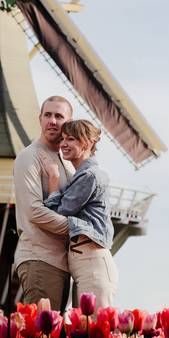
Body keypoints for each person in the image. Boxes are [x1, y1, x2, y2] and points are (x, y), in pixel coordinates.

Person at [45, 119, 118, 310]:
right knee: (83, 330)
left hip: (92, 262)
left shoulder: (89, 177)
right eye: (63, 139)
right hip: (84, 261)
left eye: (71, 139)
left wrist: (53, 182)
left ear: (87, 143)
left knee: (93, 331)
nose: (63, 144)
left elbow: (58, 213)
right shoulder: (81, 176)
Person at [13, 95, 75, 308]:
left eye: (59, 116)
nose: (52, 121)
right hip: (40, 258)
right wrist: (77, 229)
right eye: (47, 115)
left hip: (61, 262)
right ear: (39, 119)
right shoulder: (29, 157)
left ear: (69, 122)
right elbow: (34, 211)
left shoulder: (66, 164)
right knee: (42, 337)